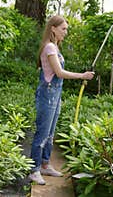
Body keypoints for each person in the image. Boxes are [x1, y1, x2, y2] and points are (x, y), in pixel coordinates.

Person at [29, 15, 95, 185]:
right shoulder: (50, 47)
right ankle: (34, 170)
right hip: (47, 95)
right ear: (53, 28)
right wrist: (82, 75)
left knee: (50, 134)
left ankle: (45, 165)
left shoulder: (56, 48)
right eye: (63, 28)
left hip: (55, 95)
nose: (66, 32)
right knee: (42, 133)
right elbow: (59, 73)